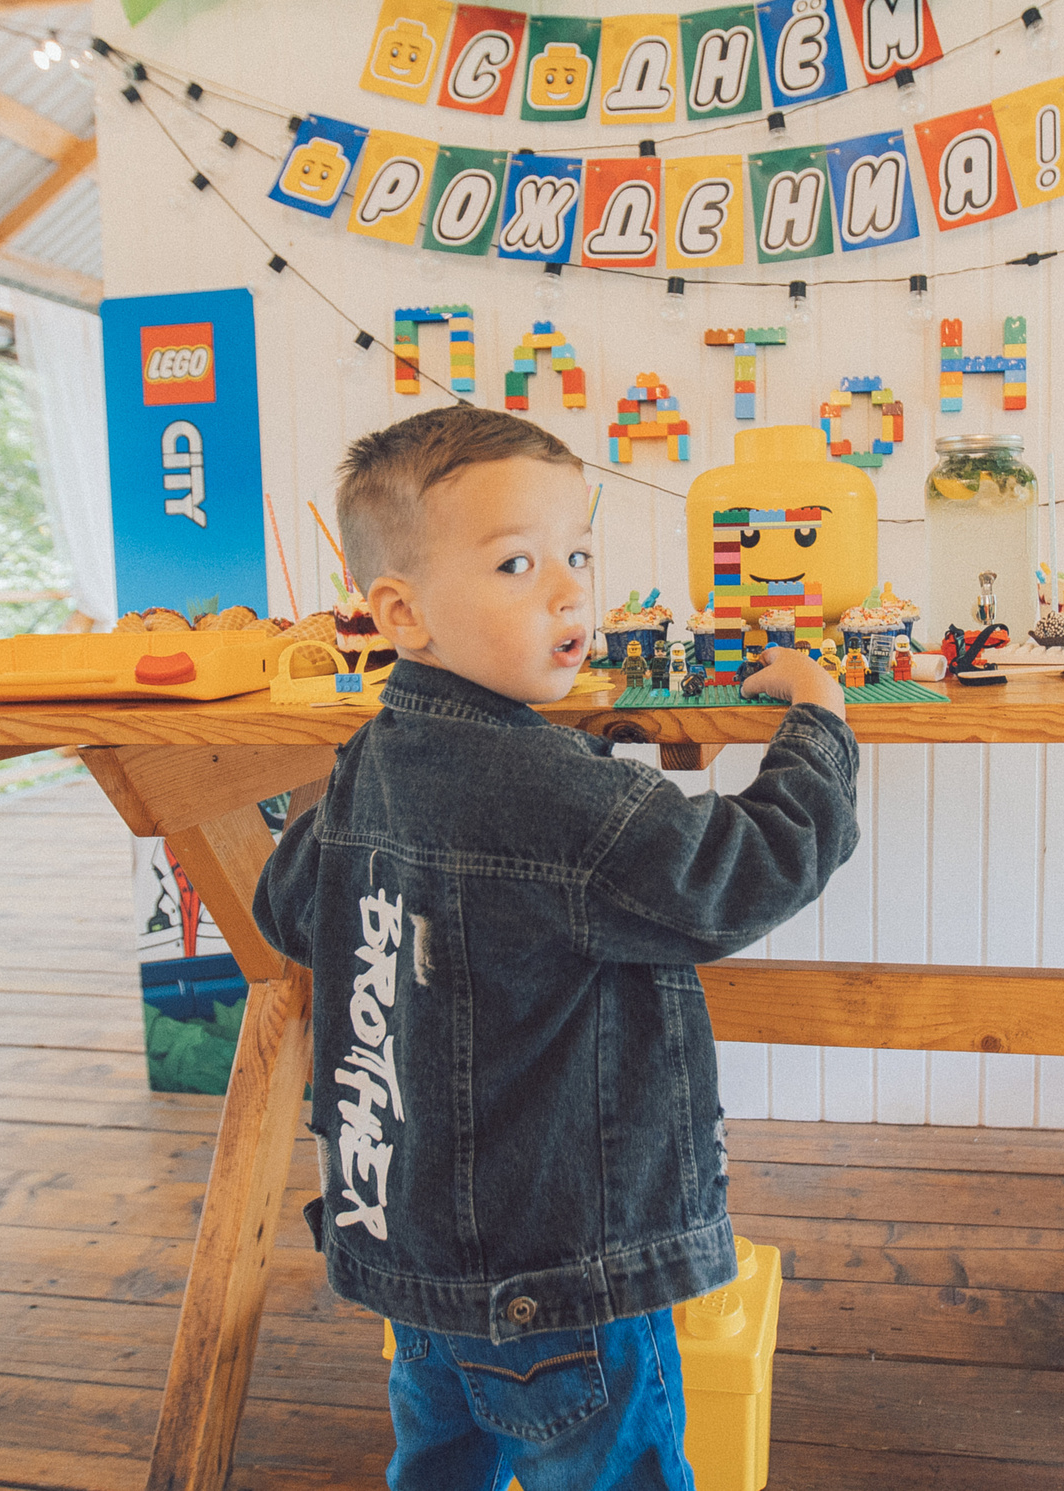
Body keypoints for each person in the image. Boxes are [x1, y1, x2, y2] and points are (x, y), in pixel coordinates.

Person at [253, 406, 858, 1491]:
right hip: (563, 1271)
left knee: (440, 1465)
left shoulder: (365, 762)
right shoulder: (568, 796)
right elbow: (751, 867)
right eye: (518, 563)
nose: (571, 590)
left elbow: (291, 909)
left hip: (412, 1258)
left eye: (577, 552)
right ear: (404, 612)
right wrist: (818, 721)